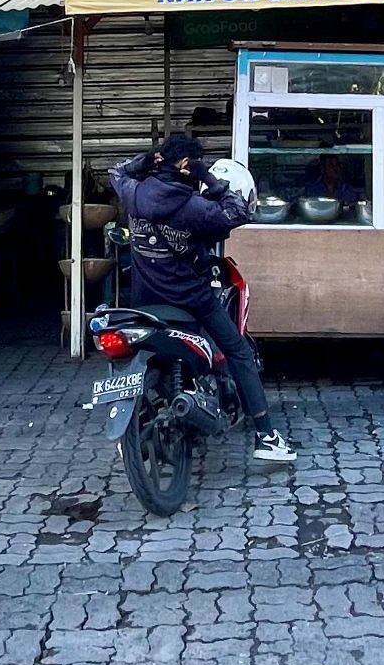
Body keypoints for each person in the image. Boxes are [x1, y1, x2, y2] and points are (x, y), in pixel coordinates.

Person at [110, 133, 296, 467]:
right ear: (186, 165)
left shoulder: (134, 194)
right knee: (238, 351)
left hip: (144, 302)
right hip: (191, 300)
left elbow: (116, 172)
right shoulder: (194, 208)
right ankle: (266, 436)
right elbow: (238, 212)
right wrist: (208, 177)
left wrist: (142, 162)